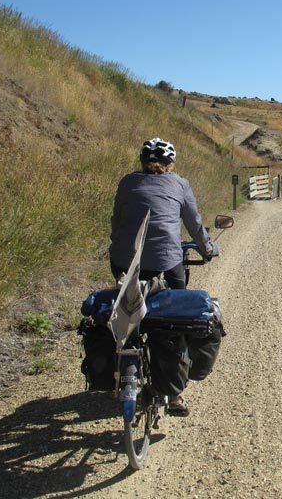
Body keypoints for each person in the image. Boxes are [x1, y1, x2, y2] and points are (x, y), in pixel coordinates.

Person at [108, 137, 217, 416]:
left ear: (142, 162)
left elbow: (117, 221)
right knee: (174, 318)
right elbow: (193, 222)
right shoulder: (179, 183)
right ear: (171, 164)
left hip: (123, 261)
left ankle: (124, 357)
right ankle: (175, 393)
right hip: (166, 261)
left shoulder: (127, 182)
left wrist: (119, 246)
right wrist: (207, 249)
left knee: (127, 305)